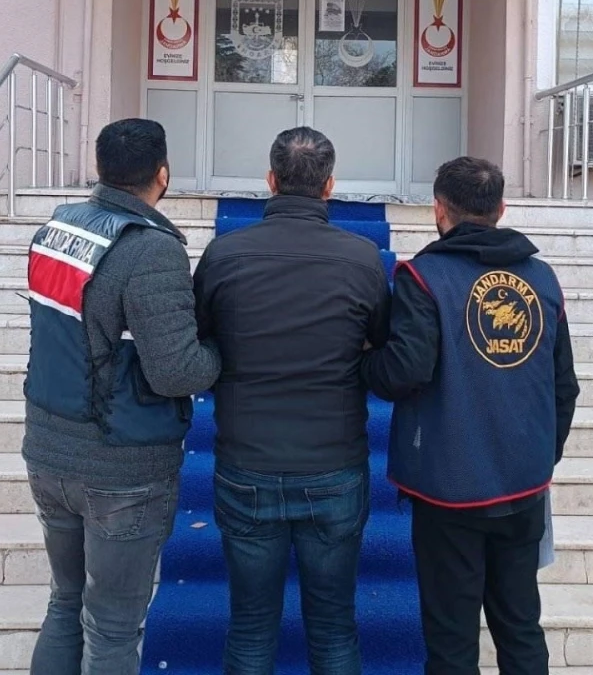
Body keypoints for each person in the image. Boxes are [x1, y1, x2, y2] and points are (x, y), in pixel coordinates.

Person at [362, 156, 580, 675]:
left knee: (452, 640)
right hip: (524, 484)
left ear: (439, 209)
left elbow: (403, 373)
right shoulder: (542, 279)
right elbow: (564, 385)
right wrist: (541, 457)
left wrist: (367, 358)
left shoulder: (423, 277)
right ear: (501, 209)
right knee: (520, 626)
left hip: (449, 487)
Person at [22, 118, 221, 675]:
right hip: (120, 470)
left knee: (65, 603)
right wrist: (221, 351)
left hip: (49, 451)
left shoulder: (58, 229)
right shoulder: (150, 249)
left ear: (100, 168)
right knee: (112, 628)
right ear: (163, 174)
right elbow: (177, 373)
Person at [193, 126, 391, 675]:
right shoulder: (363, 258)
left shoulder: (224, 253)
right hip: (334, 464)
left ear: (271, 180)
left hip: (247, 462)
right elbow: (380, 343)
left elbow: (197, 341)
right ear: (329, 186)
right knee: (334, 629)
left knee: (250, 627)